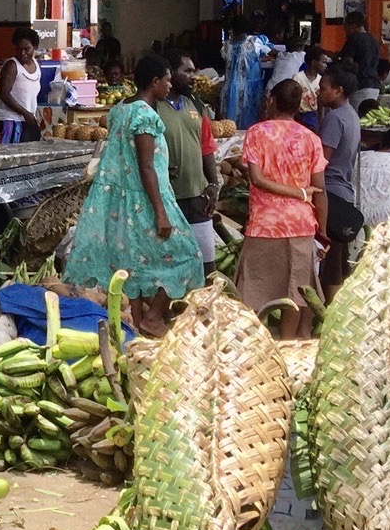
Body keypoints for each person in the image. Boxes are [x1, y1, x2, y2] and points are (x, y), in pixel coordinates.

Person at [64, 55, 205, 336]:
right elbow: (145, 166)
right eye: (166, 80)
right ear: (154, 83)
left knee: (135, 262)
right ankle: (153, 317)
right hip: (144, 201)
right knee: (187, 255)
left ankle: (139, 326)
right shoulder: (145, 115)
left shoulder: (120, 109)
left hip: (121, 203)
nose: (169, 86)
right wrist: (161, 212)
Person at [236, 79, 329, 339]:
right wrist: (321, 229)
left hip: (264, 224)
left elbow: (257, 179)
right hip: (301, 224)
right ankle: (287, 343)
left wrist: (296, 192)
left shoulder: (257, 133)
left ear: (272, 101)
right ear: (298, 106)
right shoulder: (311, 139)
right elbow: (320, 190)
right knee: (297, 291)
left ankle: (255, 342)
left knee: (253, 289)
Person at [154, 51, 220, 270]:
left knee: (206, 263)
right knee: (169, 263)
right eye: (187, 71)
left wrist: (213, 184)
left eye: (195, 71)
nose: (194, 76)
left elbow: (206, 147)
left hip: (197, 196)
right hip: (168, 198)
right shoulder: (154, 107)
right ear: (170, 74)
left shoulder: (197, 106)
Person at [316, 67, 362, 295]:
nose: (318, 91)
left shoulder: (334, 119)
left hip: (330, 192)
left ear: (338, 91)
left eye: (323, 88)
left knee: (331, 261)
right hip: (344, 190)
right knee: (339, 259)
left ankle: (331, 311)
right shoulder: (351, 115)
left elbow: (321, 160)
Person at [0, 28, 44, 144]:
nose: (23, 53)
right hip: (9, 119)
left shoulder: (37, 65)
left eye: (27, 49)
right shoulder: (11, 66)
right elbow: (4, 94)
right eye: (19, 49)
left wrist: (28, 114)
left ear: (34, 47)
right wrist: (25, 113)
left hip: (26, 118)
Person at [340, 10, 383, 108]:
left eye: (346, 28)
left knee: (357, 117)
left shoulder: (354, 38)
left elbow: (347, 62)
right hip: (374, 85)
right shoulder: (374, 39)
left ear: (353, 26)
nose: (345, 31)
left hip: (359, 85)